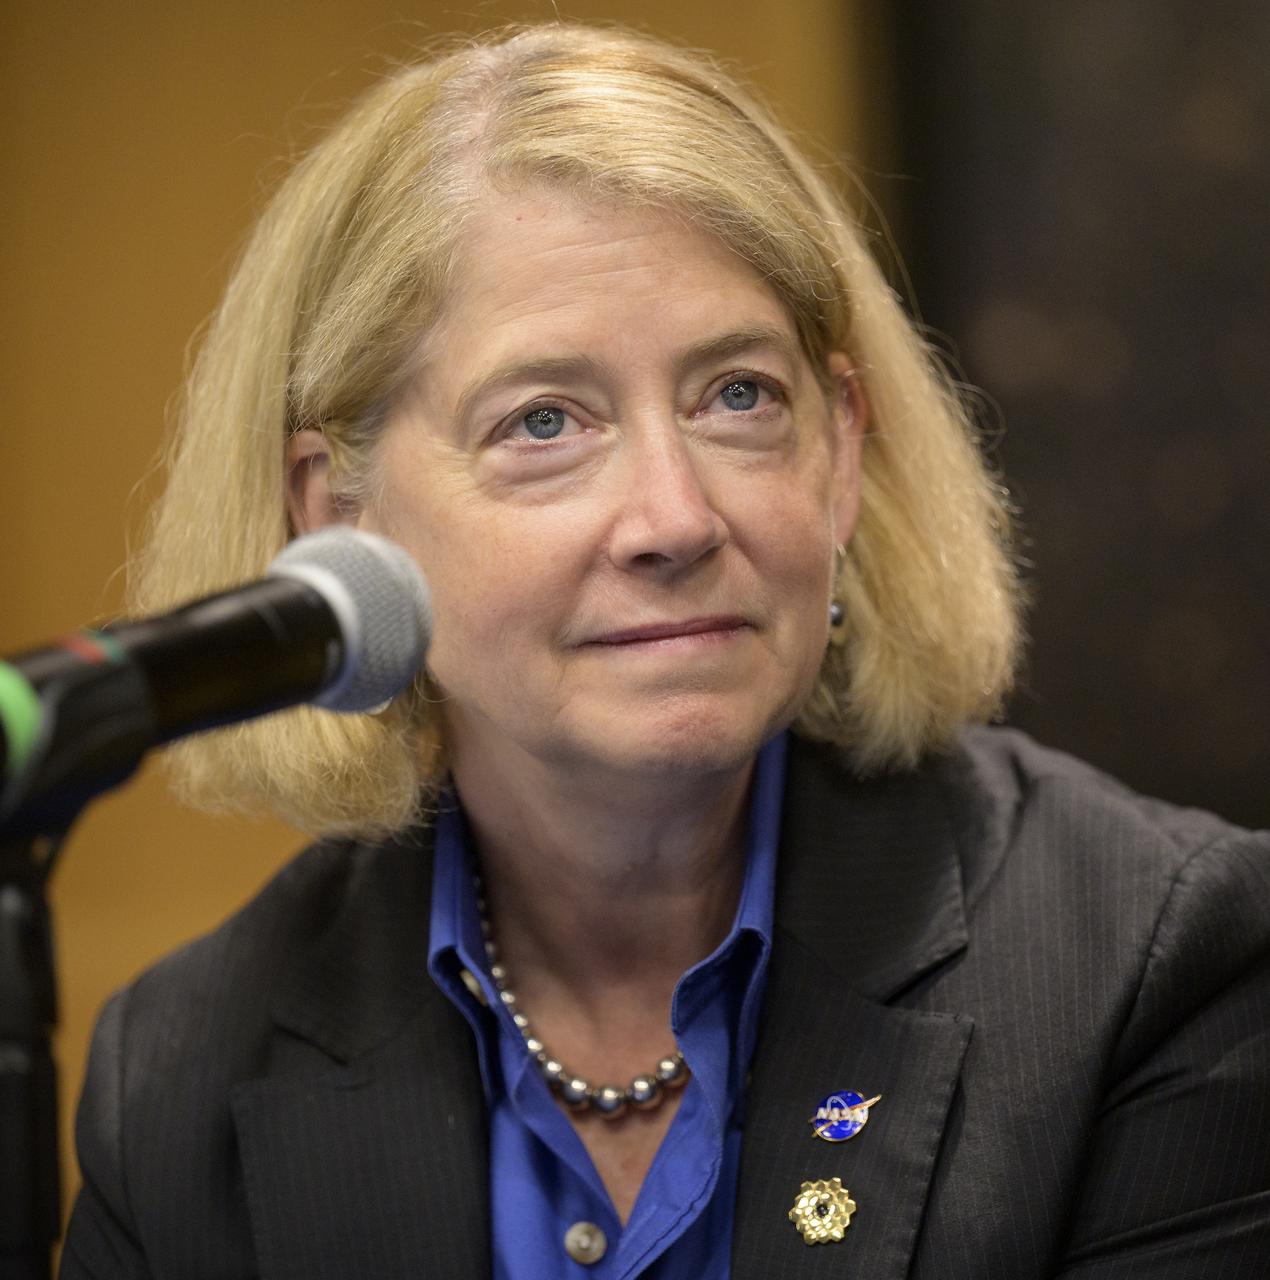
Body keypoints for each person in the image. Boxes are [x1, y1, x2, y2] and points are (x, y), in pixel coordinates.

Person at [61, 23, 1270, 1280]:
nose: (675, 518)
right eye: (543, 421)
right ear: (337, 514)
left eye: (737, 396)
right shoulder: (184, 1072)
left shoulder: (1148, 964)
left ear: (840, 450)